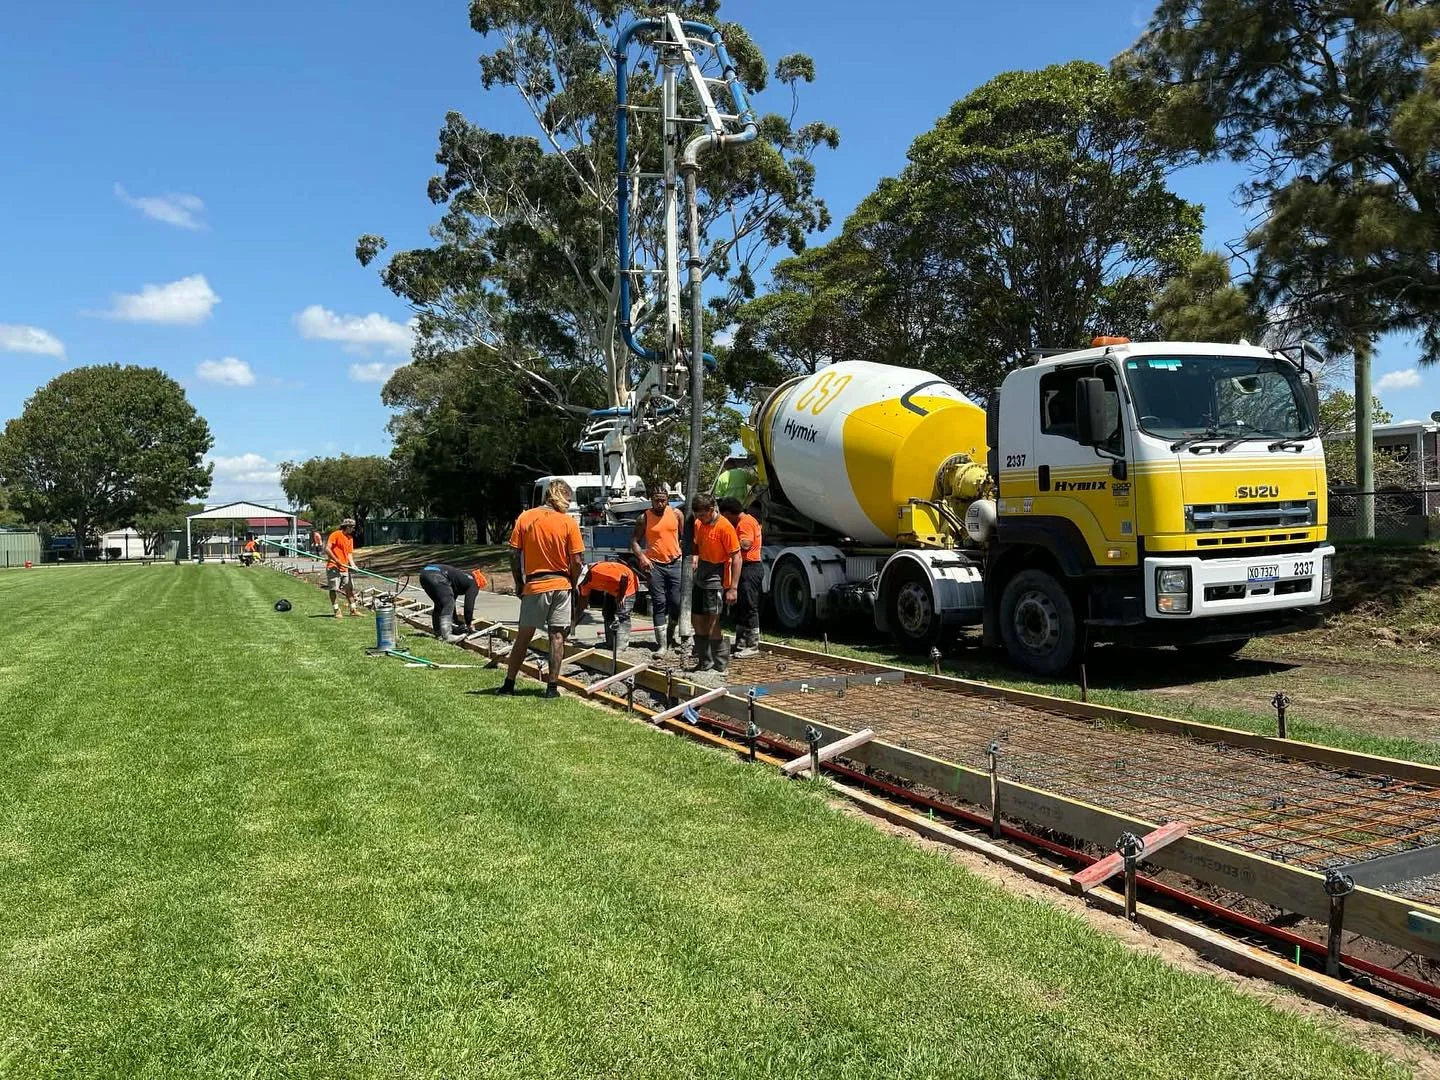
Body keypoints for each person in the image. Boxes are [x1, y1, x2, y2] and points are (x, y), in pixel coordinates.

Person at [497, 478, 584, 698]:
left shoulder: (526, 518)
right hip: (561, 584)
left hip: (535, 584)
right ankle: (552, 688)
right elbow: (577, 561)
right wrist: (573, 584)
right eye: (569, 499)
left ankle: (509, 684)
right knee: (557, 637)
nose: (569, 504)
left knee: (524, 636)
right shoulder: (569, 523)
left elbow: (514, 553)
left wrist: (519, 582)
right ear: (560, 496)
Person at [689, 493, 741, 673]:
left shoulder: (725, 527)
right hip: (701, 574)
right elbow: (696, 545)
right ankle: (705, 662)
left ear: (712, 510)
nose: (700, 519)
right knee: (696, 618)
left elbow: (737, 557)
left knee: (712, 621)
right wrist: (695, 556)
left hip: (717, 576)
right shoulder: (698, 523)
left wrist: (733, 588)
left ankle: (720, 664)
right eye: (697, 515)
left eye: (703, 515)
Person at [630, 483, 684, 656]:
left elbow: (684, 538)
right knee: (659, 603)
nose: (660, 504)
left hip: (675, 562)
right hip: (654, 565)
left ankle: (671, 634)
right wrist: (642, 557)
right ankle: (662, 644)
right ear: (651, 500)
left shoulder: (677, 514)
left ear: (668, 500)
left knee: (676, 602)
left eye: (663, 500)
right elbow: (635, 542)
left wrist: (688, 555)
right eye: (656, 500)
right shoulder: (643, 518)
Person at [719, 497, 763, 658]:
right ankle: (742, 642)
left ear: (729, 513)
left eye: (724, 516)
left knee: (750, 606)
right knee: (742, 606)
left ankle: (752, 645)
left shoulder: (744, 522)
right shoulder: (747, 520)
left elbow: (745, 544)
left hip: (750, 568)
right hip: (745, 568)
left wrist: (727, 541)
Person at [575, 560, 638, 653]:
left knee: (622, 614)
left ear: (587, 574)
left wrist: (621, 595)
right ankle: (611, 643)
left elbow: (624, 577)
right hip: (612, 588)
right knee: (607, 613)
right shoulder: (585, 583)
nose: (583, 583)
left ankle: (621, 646)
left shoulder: (599, 570)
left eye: (583, 581)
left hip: (628, 585)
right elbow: (583, 602)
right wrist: (574, 620)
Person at [419, 563, 487, 639]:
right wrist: (469, 624)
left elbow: (452, 603)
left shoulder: (461, 578)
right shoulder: (474, 584)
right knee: (447, 603)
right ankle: (447, 636)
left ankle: (438, 632)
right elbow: (468, 607)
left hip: (425, 573)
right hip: (436, 575)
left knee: (440, 604)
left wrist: (456, 620)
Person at [326, 518, 361, 618]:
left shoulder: (350, 538)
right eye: (352, 527)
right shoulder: (336, 534)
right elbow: (327, 549)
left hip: (344, 568)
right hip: (333, 566)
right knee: (334, 589)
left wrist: (353, 565)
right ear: (346, 526)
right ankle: (336, 610)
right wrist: (336, 560)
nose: (353, 529)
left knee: (349, 588)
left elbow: (349, 554)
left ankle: (353, 609)